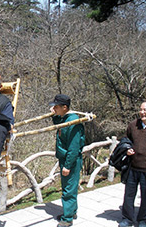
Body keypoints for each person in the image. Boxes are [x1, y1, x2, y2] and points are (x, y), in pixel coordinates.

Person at [49, 94, 85, 227]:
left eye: (56, 107)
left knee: (68, 189)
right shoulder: (65, 118)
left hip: (71, 160)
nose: (54, 108)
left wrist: (68, 165)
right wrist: (54, 115)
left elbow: (74, 147)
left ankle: (68, 218)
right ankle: (72, 211)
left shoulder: (73, 122)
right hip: (64, 158)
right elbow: (58, 125)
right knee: (69, 186)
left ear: (65, 107)